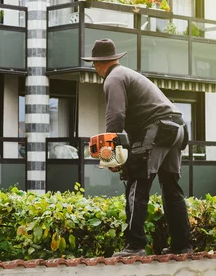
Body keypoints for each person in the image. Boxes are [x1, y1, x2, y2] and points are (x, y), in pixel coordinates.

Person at [81, 38, 193, 257]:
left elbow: (116, 116)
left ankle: (135, 246)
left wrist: (111, 153)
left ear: (98, 63)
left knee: (137, 183)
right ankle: (182, 245)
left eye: (93, 64)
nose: (94, 68)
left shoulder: (113, 78)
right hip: (177, 128)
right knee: (171, 188)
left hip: (158, 129)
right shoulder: (130, 74)